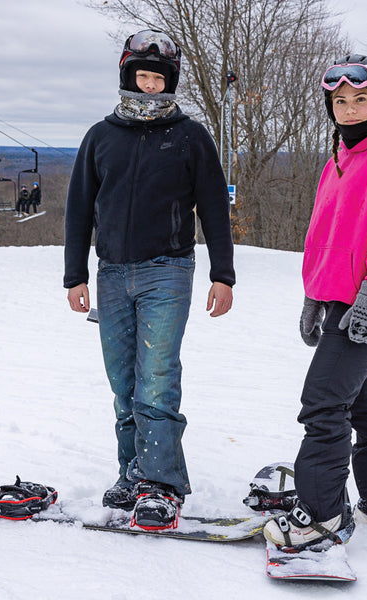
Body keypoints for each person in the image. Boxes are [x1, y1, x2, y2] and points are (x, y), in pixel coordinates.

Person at [64, 29, 235, 531]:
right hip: (112, 272)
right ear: (127, 76)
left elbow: (214, 211)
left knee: (156, 379)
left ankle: (161, 484)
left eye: (159, 79)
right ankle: (132, 472)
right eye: (142, 76)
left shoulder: (190, 136)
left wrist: (223, 275)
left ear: (171, 82)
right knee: (124, 382)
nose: (150, 86)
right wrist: (76, 274)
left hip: (169, 270)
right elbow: (79, 210)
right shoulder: (101, 136)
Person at [263, 55, 367, 550]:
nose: (350, 108)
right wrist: (315, 295)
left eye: (360, 99)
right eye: (340, 101)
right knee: (366, 401)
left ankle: (321, 518)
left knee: (324, 402)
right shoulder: (339, 157)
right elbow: (325, 234)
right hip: (342, 296)